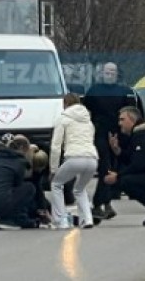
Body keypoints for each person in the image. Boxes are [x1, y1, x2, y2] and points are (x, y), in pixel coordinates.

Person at [83, 62, 144, 220]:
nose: (109, 74)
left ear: (117, 74)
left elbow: (132, 113)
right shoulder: (94, 91)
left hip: (119, 134)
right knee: (106, 167)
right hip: (100, 133)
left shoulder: (124, 91)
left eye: (112, 72)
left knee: (115, 169)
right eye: (106, 71)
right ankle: (99, 204)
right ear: (102, 73)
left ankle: (106, 202)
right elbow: (85, 111)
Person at [49, 93, 98, 229]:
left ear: (65, 104)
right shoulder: (88, 121)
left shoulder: (63, 118)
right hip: (92, 159)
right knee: (80, 189)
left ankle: (61, 220)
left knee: (57, 184)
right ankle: (87, 219)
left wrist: (53, 169)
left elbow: (55, 146)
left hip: (74, 157)